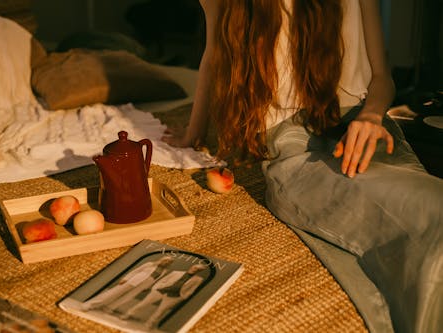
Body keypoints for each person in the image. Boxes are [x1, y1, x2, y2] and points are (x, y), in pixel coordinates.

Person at [161, 1, 443, 333]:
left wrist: (371, 115)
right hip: (290, 143)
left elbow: (382, 77)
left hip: (357, 126)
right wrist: (193, 132)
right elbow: (213, 56)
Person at [120, 264, 208, 328]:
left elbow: (192, 290)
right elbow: (163, 280)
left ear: (199, 271)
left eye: (198, 269)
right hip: (161, 291)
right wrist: (155, 288)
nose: (195, 270)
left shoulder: (198, 279)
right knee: (143, 303)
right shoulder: (176, 272)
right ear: (191, 266)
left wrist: (183, 297)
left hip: (175, 296)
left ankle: (149, 324)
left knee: (161, 311)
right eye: (195, 267)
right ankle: (128, 314)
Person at [80, 256, 174, 312]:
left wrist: (148, 287)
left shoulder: (164, 271)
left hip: (143, 286)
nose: (166, 262)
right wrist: (125, 278)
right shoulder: (150, 264)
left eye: (169, 262)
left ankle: (108, 307)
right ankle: (90, 304)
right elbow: (136, 271)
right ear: (162, 259)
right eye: (165, 260)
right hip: (133, 280)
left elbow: (156, 279)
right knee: (113, 292)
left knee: (127, 297)